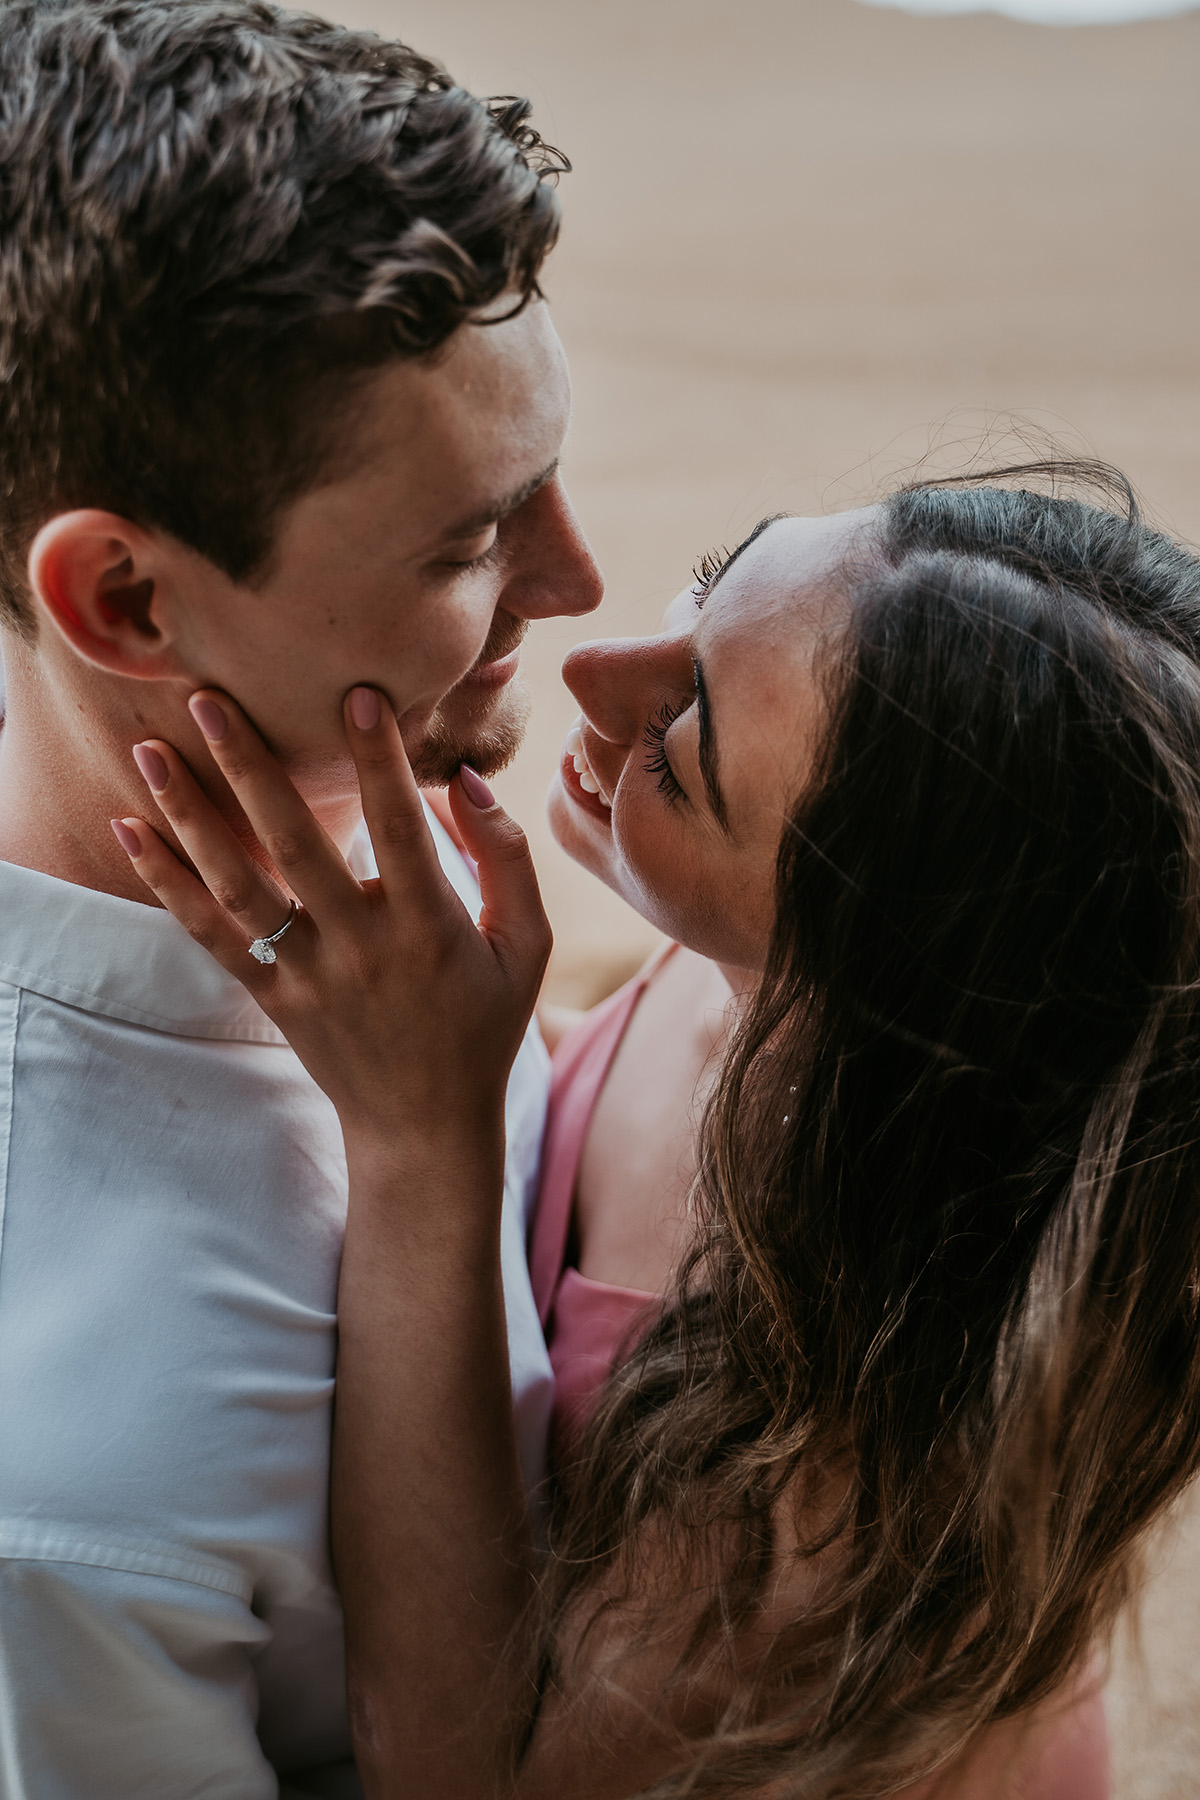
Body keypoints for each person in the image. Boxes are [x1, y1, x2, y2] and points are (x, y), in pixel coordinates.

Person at [122, 464, 1200, 1796]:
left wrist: (421, 1139)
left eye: (682, 747)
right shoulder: (739, 972)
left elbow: (457, 1768)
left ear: (867, 985)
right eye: (713, 580)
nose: (592, 670)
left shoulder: (847, 1488)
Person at [0, 3, 601, 1795]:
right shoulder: (72, 1496)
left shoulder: (396, 869)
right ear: (123, 601)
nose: (575, 583)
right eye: (468, 541)